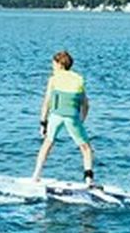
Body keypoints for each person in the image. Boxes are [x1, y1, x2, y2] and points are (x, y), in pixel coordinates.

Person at [31, 50, 95, 186]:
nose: (52, 66)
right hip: (72, 116)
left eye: (53, 64)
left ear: (60, 65)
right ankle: (89, 180)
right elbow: (86, 105)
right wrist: (80, 121)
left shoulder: (53, 79)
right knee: (86, 148)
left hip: (56, 116)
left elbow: (46, 102)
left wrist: (43, 123)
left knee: (47, 143)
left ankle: (36, 176)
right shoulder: (78, 79)